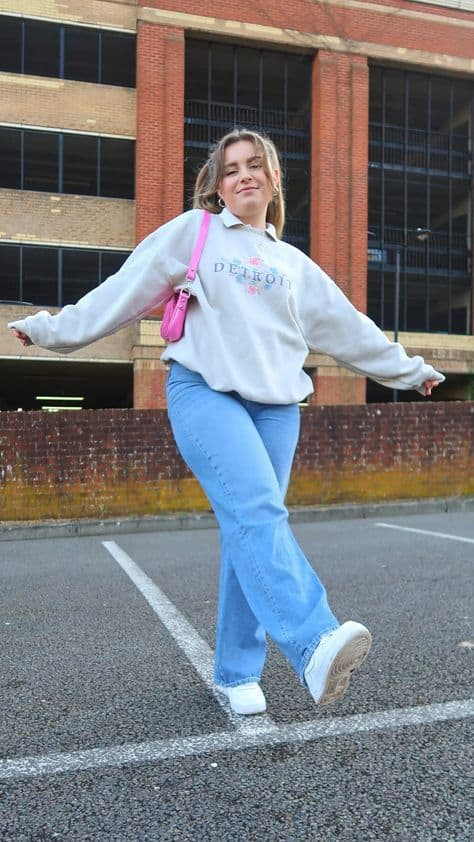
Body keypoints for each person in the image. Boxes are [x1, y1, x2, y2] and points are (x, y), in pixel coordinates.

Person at [10, 129, 444, 716]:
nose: (244, 175)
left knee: (251, 527)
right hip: (204, 393)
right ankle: (315, 639)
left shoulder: (292, 264)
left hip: (278, 408)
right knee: (259, 512)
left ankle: (236, 672)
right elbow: (122, 292)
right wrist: (51, 330)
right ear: (217, 185)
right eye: (232, 168)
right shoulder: (195, 232)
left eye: (255, 165)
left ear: (273, 179)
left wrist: (409, 371)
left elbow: (349, 329)